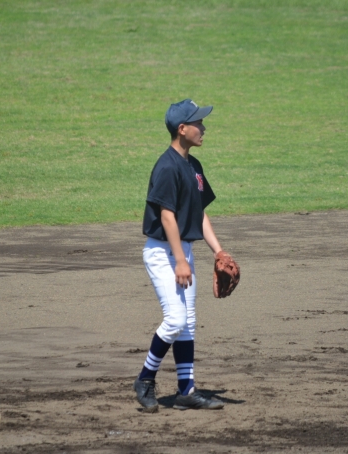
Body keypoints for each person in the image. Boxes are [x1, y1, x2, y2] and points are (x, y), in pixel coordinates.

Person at [133, 99, 228, 412]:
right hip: (163, 253)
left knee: (187, 323)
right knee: (175, 319)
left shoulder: (193, 166)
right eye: (198, 123)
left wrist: (218, 251)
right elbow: (167, 217)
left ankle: (186, 391)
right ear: (182, 129)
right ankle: (145, 378)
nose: (204, 128)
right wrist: (181, 260)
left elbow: (199, 214)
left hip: (181, 249)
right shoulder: (167, 166)